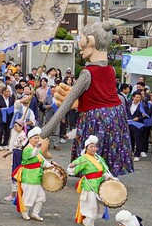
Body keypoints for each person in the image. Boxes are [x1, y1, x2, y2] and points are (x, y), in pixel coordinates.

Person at [41, 21, 134, 175]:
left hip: (95, 117)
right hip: (116, 115)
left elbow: (65, 105)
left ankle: (91, 173)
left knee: (92, 145)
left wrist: (43, 133)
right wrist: (83, 101)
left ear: (90, 41)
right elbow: (102, 93)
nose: (80, 47)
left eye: (81, 40)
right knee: (109, 147)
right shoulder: (111, 70)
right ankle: (108, 173)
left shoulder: (87, 72)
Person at [66, 135, 115, 226]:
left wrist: (110, 178)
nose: (93, 149)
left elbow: (104, 171)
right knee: (90, 207)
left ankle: (88, 223)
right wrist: (71, 167)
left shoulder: (99, 158)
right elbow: (71, 171)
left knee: (98, 207)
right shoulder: (83, 158)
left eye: (95, 147)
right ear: (86, 148)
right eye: (91, 147)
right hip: (89, 185)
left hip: (100, 185)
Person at [13, 127, 50, 222]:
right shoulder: (27, 149)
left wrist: (49, 165)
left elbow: (41, 161)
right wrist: (37, 147)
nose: (37, 140)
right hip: (29, 177)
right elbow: (33, 155)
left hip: (37, 177)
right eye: (35, 138)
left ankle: (35, 213)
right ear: (29, 139)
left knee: (41, 197)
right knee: (28, 196)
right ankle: (25, 212)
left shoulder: (37, 150)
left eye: (38, 138)